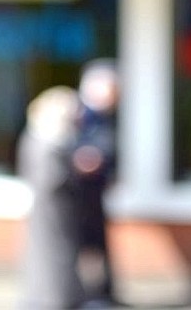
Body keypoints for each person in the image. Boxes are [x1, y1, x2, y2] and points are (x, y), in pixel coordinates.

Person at [17, 86, 85, 310]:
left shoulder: (51, 140)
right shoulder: (45, 141)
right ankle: (51, 299)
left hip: (58, 212)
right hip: (51, 211)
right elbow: (48, 178)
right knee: (51, 259)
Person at [72, 59, 119, 306]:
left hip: (97, 191)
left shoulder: (107, 116)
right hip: (81, 194)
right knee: (86, 245)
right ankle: (90, 295)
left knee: (98, 243)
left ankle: (104, 293)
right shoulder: (79, 115)